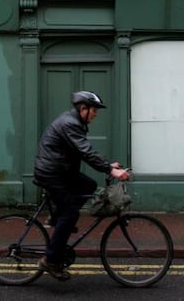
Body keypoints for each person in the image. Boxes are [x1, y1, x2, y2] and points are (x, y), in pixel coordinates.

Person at [33, 90, 130, 281]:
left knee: (89, 185)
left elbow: (86, 151)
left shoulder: (74, 122)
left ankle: (58, 218)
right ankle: (50, 260)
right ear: (83, 109)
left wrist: (108, 165)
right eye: (94, 111)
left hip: (61, 170)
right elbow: (86, 152)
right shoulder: (70, 124)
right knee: (71, 214)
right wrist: (111, 171)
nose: (96, 114)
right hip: (52, 173)